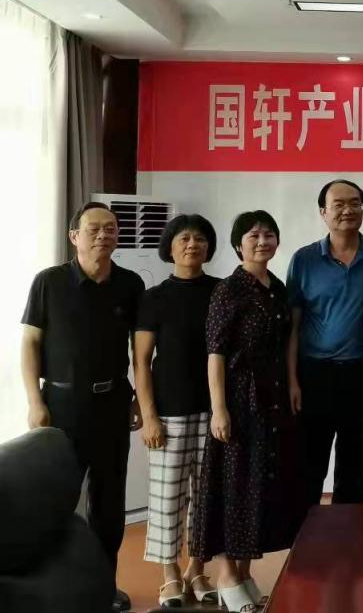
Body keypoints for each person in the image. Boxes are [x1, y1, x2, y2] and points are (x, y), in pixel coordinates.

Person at [20, 202, 144, 613]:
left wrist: (137, 399)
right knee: (57, 499)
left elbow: (140, 350)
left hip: (112, 404)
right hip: (61, 405)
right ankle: (55, 588)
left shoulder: (130, 284)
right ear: (74, 236)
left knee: (108, 505)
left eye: (111, 228)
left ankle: (105, 586)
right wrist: (35, 401)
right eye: (94, 228)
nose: (103, 235)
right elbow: (30, 343)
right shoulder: (49, 282)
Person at [190, 211, 306, 613]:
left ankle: (244, 573)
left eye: (269, 234)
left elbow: (289, 342)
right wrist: (219, 409)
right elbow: (215, 354)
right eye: (254, 235)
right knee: (232, 485)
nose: (262, 241)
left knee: (257, 486)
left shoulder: (278, 288)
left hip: (272, 400)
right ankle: (226, 575)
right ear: (239, 244)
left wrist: (293, 383)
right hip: (239, 400)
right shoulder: (229, 289)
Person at [287, 179, 363, 507]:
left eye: (355, 203)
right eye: (339, 204)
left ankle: (349, 534)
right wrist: (292, 380)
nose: (348, 210)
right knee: (309, 464)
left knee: (354, 465)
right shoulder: (304, 259)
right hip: (314, 374)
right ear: (323, 212)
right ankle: (305, 534)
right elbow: (293, 326)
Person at [133, 214, 221, 608]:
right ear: (169, 246)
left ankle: (197, 570)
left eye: (200, 239)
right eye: (184, 238)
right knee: (167, 497)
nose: (192, 244)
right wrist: (149, 415)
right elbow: (141, 361)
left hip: (215, 411)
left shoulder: (221, 292)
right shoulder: (154, 298)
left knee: (206, 497)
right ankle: (169, 574)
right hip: (169, 412)